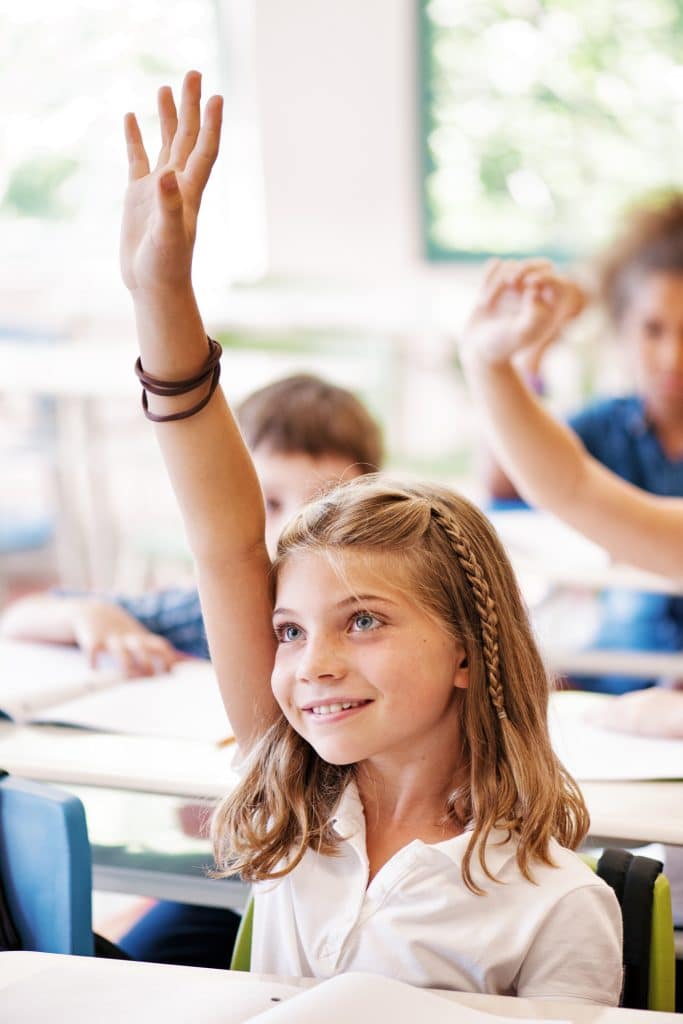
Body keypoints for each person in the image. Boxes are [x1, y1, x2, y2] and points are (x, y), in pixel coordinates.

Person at [119, 70, 622, 999]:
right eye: (290, 630)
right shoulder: (297, 809)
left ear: (469, 650)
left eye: (362, 621)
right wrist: (160, 292)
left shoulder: (553, 906)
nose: (311, 663)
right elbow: (227, 541)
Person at [0, 374, 382, 675]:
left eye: (324, 508)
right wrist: (88, 615)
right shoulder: (205, 613)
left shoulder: (382, 614)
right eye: (268, 503)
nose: (291, 531)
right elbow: (19, 619)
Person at [460, 257, 683, 740]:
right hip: (620, 672)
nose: (671, 357)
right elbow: (559, 483)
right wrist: (504, 361)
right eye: (652, 330)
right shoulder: (606, 422)